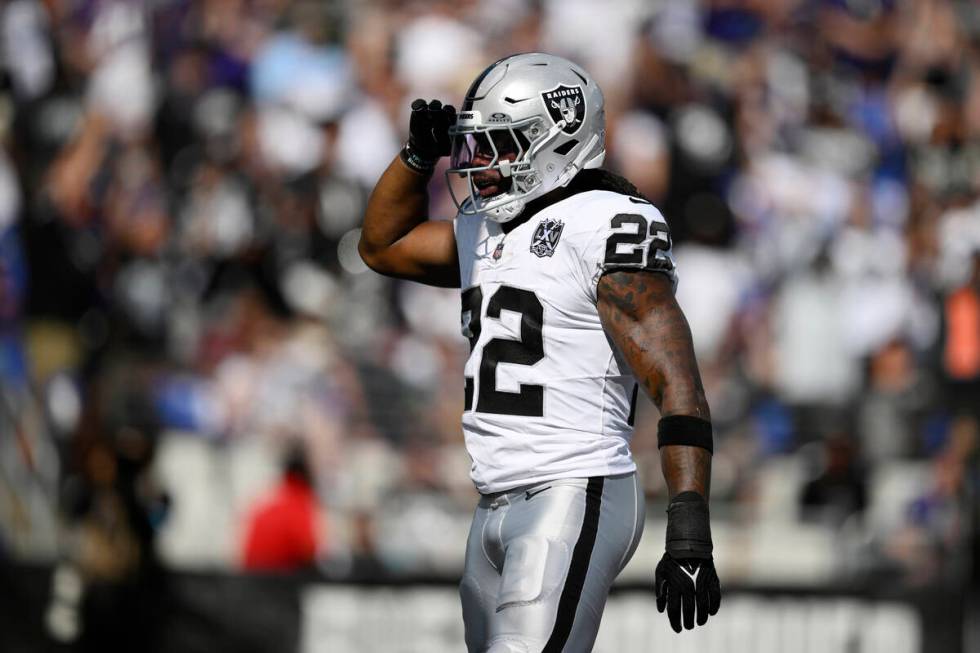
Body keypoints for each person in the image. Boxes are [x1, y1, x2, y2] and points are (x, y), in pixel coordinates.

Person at [359, 52, 720, 651]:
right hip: (492, 501)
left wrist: (688, 522)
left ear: (558, 138)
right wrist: (416, 159)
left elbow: (675, 379)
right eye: (477, 147)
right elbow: (383, 244)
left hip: (575, 486)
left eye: (501, 145)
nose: (481, 166)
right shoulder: (484, 229)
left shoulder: (604, 221)